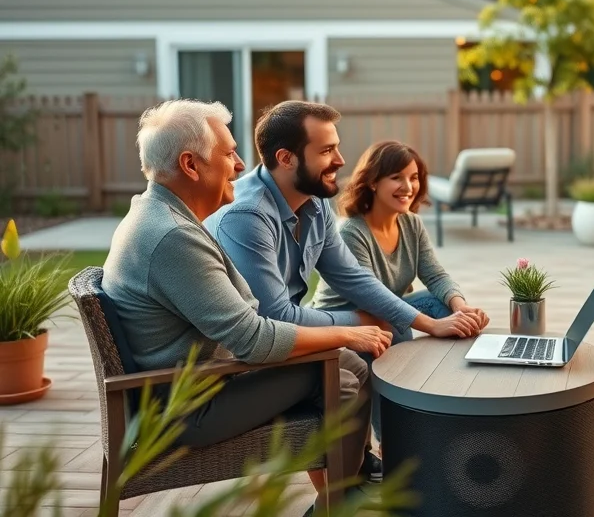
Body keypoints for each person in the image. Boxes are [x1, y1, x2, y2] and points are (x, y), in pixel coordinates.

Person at [102, 99, 391, 515]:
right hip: (186, 408)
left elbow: (247, 316)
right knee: (341, 377)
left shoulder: (157, 214)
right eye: (228, 153)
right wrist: (349, 331)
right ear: (190, 164)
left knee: (350, 364)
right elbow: (253, 339)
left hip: (191, 381)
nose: (240, 165)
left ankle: (344, 494)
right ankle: (340, 505)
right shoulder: (171, 237)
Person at [204, 101, 484, 480]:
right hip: (244, 353)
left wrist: (425, 321)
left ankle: (412, 441)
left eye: (336, 147)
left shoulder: (315, 202)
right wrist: (359, 323)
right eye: (326, 150)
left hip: (280, 333)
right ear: (286, 158)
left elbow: (354, 278)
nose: (340, 159)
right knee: (365, 347)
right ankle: (379, 463)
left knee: (397, 320)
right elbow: (274, 319)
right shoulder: (249, 216)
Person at [311, 140, 491, 438]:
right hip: (345, 319)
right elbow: (374, 299)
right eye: (396, 177)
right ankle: (392, 441)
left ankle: (451, 399)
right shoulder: (352, 233)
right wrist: (432, 326)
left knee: (445, 306)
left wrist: (461, 309)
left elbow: (435, 275)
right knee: (393, 327)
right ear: (372, 181)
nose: (408, 186)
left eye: (414, 177)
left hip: (389, 309)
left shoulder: (412, 224)